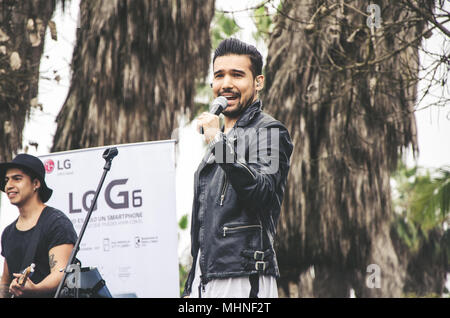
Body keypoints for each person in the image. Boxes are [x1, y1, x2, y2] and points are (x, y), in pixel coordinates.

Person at [182, 38, 293, 298]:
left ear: (258, 82)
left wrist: (216, 142)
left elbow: (261, 192)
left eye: (237, 75)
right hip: (206, 278)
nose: (226, 84)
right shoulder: (220, 140)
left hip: (243, 274)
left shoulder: (270, 131)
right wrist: (192, 285)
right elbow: (204, 227)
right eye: (219, 75)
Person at [0, 153, 77, 297]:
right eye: (6, 180)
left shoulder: (56, 223)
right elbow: (5, 280)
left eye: (17, 179)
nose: (9, 186)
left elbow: (61, 272)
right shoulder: (8, 232)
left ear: (36, 183)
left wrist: (35, 289)